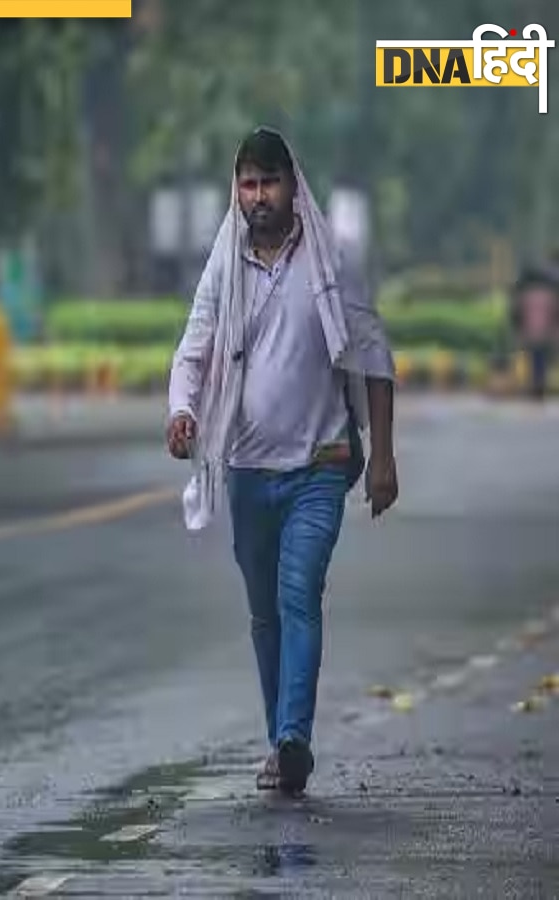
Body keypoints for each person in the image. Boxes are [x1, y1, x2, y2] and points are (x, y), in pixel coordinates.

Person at [165, 127, 399, 796]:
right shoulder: (225, 265)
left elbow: (375, 359)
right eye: (246, 183)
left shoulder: (331, 264)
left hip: (319, 465)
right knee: (265, 612)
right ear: (235, 190)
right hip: (245, 469)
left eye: (268, 182)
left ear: (294, 187)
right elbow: (195, 344)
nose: (257, 196)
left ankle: (294, 735)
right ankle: (283, 744)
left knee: (299, 595)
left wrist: (382, 457)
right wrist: (182, 412)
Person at [510, 266, 558, 401]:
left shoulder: (524, 296)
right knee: (541, 360)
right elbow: (555, 315)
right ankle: (539, 386)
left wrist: (518, 332)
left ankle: (533, 386)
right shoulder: (550, 296)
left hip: (529, 334)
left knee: (532, 360)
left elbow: (516, 315)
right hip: (545, 334)